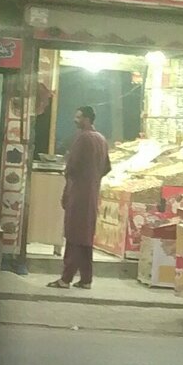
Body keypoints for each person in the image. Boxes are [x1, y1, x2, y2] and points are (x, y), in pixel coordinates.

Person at [47, 106, 111, 290]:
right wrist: (94, 179)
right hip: (92, 193)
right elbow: (107, 167)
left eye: (78, 117)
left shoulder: (83, 138)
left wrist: (69, 188)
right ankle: (86, 279)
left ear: (87, 119)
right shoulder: (101, 139)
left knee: (74, 235)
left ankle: (65, 279)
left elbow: (72, 167)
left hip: (78, 194)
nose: (75, 120)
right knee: (85, 237)